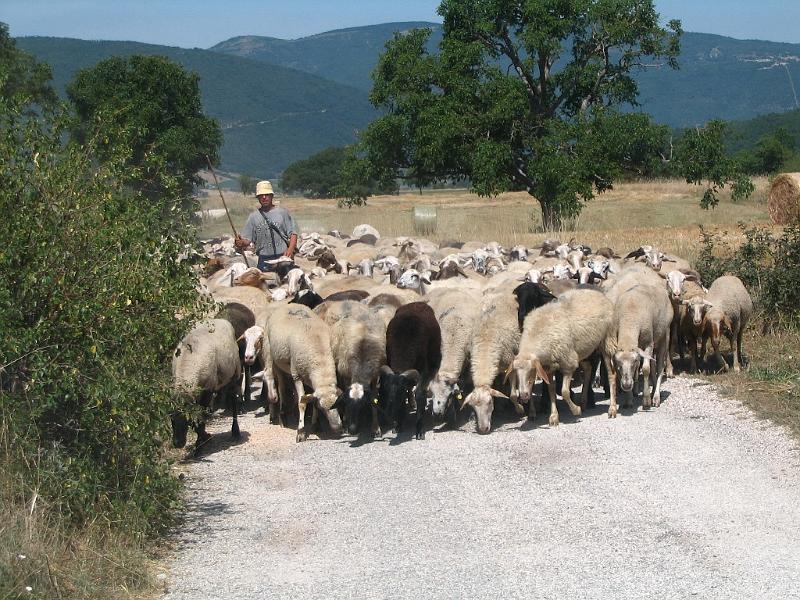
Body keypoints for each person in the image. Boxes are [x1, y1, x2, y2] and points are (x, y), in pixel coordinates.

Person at [234, 180, 299, 271]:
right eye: (261, 196)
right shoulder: (253, 217)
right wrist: (240, 243)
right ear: (258, 198)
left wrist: (290, 250)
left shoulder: (282, 213)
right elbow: (247, 240)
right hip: (264, 260)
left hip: (283, 257)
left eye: (267, 195)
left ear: (272, 196)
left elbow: (293, 233)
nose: (264, 198)